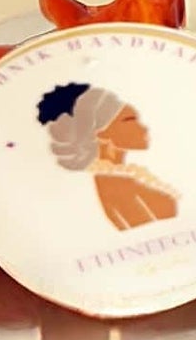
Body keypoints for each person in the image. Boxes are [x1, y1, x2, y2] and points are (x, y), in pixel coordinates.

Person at [36, 83, 180, 230]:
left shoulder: (123, 176)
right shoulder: (118, 184)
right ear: (100, 133)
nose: (144, 128)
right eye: (130, 120)